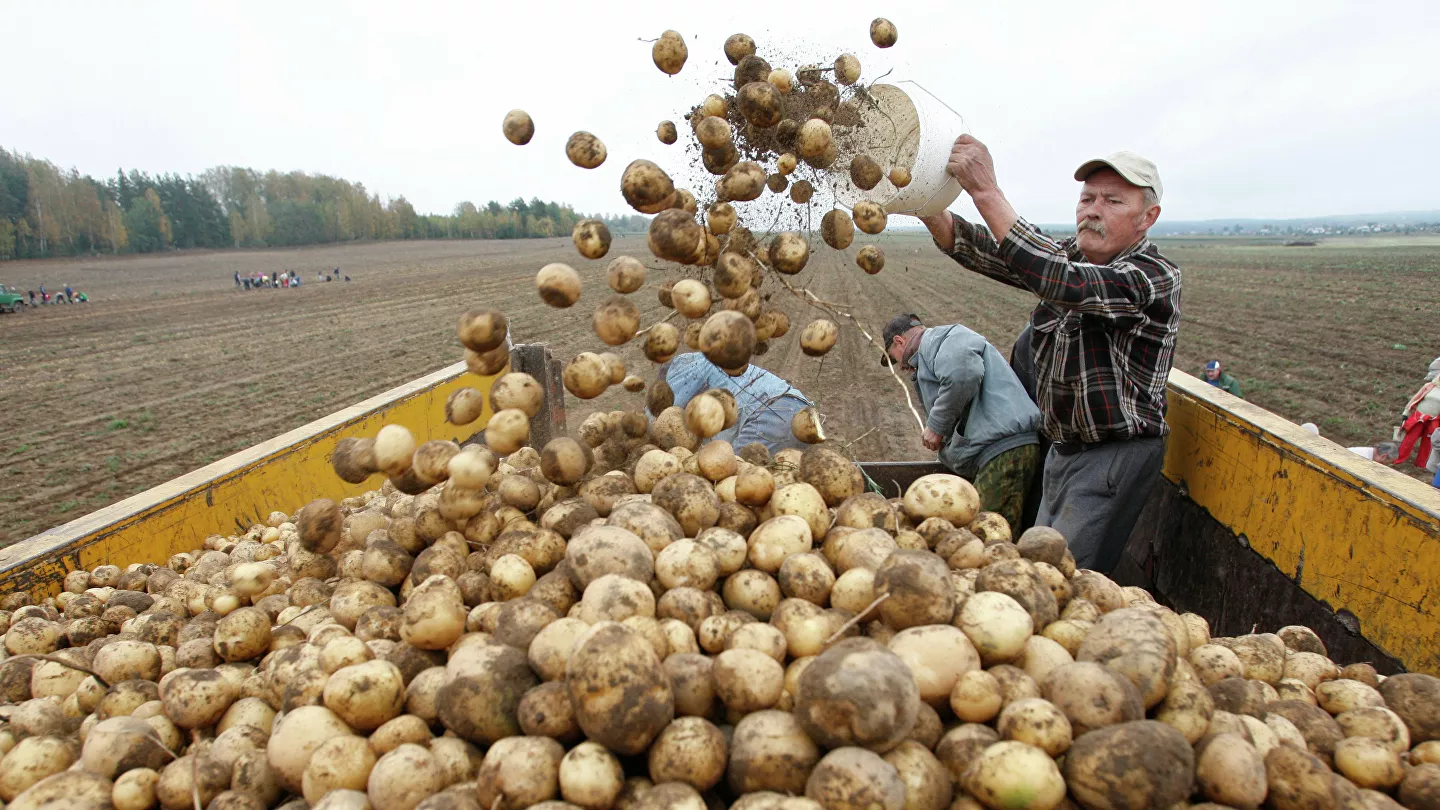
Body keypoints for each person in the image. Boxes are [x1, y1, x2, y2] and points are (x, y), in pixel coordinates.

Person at [916, 140, 1180, 574]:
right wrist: (927, 204)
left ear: (1147, 217)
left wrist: (987, 192)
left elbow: (1058, 277)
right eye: (1087, 198)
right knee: (1035, 567)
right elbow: (1001, 254)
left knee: (1062, 580)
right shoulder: (1073, 259)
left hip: (1111, 455)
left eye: (1112, 201)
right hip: (1061, 448)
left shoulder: (1152, 277)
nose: (1093, 210)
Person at [883, 313, 1042, 531]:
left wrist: (936, 427)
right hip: (1000, 452)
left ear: (899, 341)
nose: (900, 366)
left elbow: (964, 374)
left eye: (894, 357)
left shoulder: (940, 338)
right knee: (996, 533)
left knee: (987, 536)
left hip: (1003, 452)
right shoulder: (932, 353)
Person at [657, 352, 812, 454]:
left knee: (734, 480)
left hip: (772, 414)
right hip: (804, 416)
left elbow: (662, 419)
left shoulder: (681, 366)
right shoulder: (710, 365)